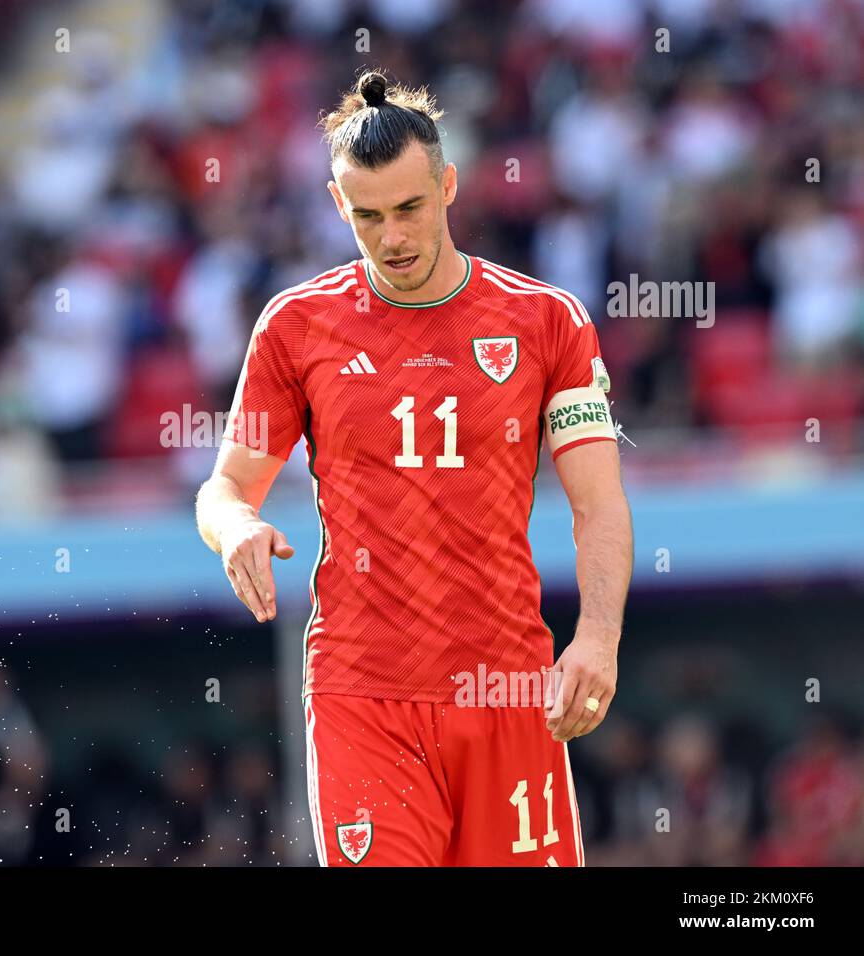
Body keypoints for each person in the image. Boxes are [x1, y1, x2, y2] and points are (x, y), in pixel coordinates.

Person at [195, 70, 633, 866]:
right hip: (365, 693)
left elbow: (597, 504)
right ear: (338, 206)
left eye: (409, 209)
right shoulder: (297, 328)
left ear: (448, 186)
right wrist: (235, 529)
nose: (392, 236)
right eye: (367, 217)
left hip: (507, 689)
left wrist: (597, 640)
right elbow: (226, 486)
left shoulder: (545, 321)